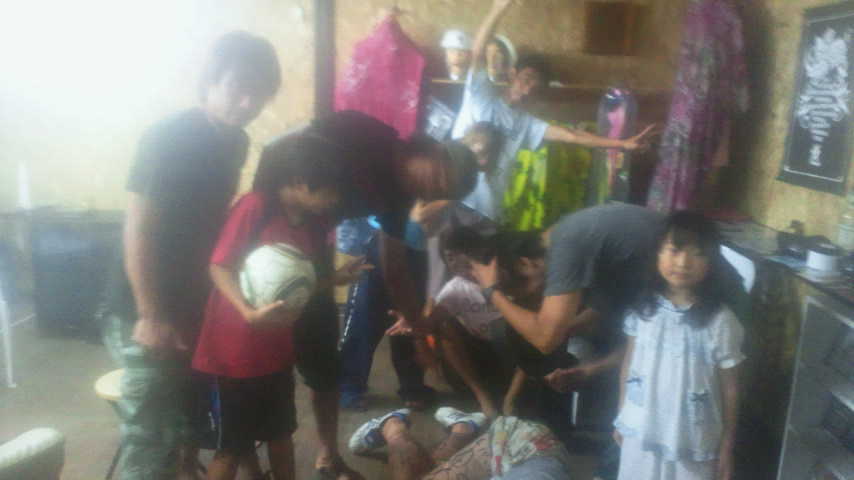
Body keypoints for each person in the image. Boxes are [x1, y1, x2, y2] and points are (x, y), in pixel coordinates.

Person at [253, 111, 478, 474]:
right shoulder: (369, 134)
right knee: (257, 360)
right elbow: (282, 148)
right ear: (434, 152)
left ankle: (329, 455)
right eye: (437, 180)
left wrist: (418, 332)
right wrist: (258, 221)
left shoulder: (401, 198)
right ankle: (245, 457)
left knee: (323, 362)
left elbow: (394, 267)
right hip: (269, 246)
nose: (428, 194)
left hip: (314, 257)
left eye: (437, 194)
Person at [100, 31, 280, 480]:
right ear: (210, 81)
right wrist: (151, 315)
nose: (248, 102)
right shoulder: (168, 138)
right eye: (238, 87)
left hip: (192, 305)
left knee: (187, 426)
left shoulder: (235, 142)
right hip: (143, 308)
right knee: (151, 439)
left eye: (259, 92)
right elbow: (139, 228)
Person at [190, 135, 368, 480]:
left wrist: (335, 279)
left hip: (276, 351)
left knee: (281, 434)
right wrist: (247, 312)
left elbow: (296, 288)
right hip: (233, 354)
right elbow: (219, 266)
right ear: (300, 182)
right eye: (330, 191)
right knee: (231, 447)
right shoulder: (255, 206)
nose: (335, 200)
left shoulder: (312, 223)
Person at [452, 0, 657, 222]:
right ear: (512, 74)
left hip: (488, 214)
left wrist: (622, 144)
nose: (528, 89)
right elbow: (478, 53)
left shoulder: (526, 124)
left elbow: (573, 135)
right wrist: (498, 8)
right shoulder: (481, 96)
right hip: (452, 200)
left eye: (535, 85)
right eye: (526, 79)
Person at [613, 212, 744, 480]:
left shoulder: (721, 321)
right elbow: (628, 364)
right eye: (674, 250)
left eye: (698, 254)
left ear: (711, 262)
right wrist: (622, 415)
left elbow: (730, 388)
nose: (683, 262)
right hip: (641, 428)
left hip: (693, 439)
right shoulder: (643, 310)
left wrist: (727, 445)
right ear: (657, 253)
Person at [347, 406, 572, 480]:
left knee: (429, 471)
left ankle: (463, 428)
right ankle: (392, 426)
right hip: (526, 449)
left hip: (524, 456)